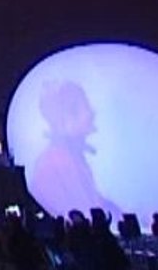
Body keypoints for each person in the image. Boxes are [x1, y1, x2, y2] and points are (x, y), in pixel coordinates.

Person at [28, 82, 122, 219]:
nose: (90, 113)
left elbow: (93, 201)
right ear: (61, 120)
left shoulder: (73, 158)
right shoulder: (53, 164)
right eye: (81, 108)